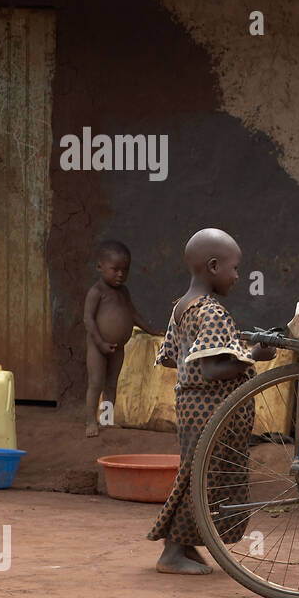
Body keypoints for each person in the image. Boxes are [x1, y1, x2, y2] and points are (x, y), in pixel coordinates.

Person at [147, 228, 276, 575]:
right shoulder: (212, 312)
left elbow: (175, 358)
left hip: (191, 406)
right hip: (210, 408)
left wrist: (232, 348)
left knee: (197, 476)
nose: (238, 276)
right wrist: (252, 354)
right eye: (235, 269)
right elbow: (212, 369)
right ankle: (173, 552)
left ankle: (184, 547)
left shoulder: (182, 307)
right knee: (203, 479)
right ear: (214, 266)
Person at [83, 239, 161, 437]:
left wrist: (150, 330)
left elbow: (133, 314)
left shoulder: (123, 291)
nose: (120, 274)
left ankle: (106, 420)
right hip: (98, 345)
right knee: (96, 382)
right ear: (100, 267)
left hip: (118, 347)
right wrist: (100, 343)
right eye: (115, 269)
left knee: (111, 384)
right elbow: (88, 320)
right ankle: (91, 421)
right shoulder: (96, 292)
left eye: (125, 270)